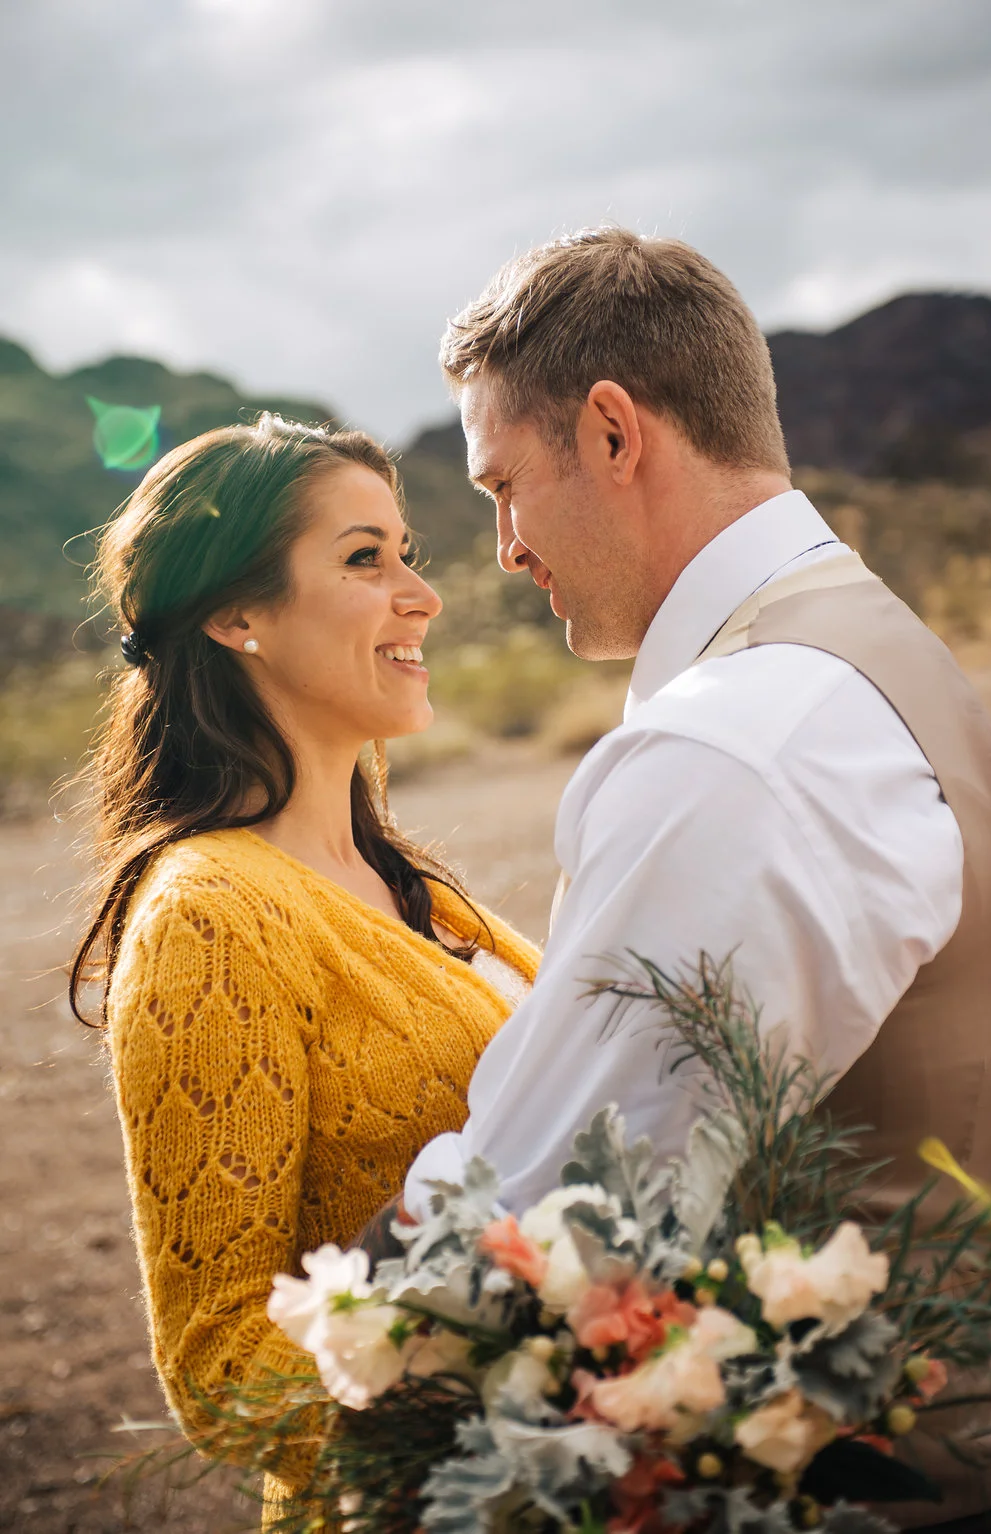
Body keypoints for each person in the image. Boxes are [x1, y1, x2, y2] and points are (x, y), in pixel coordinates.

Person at [394, 229, 991, 1530]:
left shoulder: (736, 745)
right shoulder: (873, 651)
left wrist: (358, 1312)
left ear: (613, 433)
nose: (503, 547)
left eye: (504, 484)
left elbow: (540, 1218)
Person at [70, 414, 540, 1509]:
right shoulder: (210, 919)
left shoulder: (415, 886)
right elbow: (223, 1366)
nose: (421, 596)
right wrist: (542, 1396)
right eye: (364, 558)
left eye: (407, 554)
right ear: (238, 615)